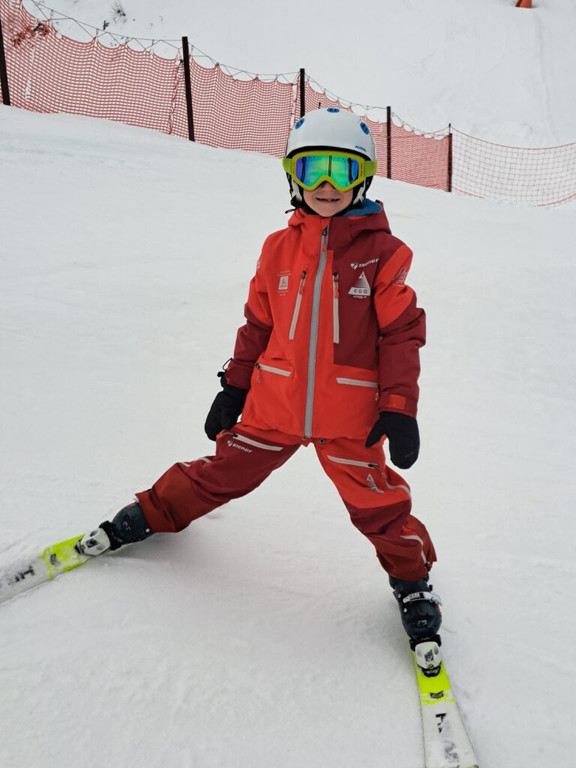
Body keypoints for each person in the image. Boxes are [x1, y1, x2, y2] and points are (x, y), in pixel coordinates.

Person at [77, 108, 441, 645]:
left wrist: (399, 407)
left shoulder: (385, 255)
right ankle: (148, 514)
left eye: (340, 170)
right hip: (274, 407)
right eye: (313, 169)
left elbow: (401, 334)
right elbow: (259, 324)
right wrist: (235, 386)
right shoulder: (277, 248)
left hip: (352, 421)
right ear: (293, 175)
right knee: (218, 474)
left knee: (379, 508)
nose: (325, 185)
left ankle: (412, 581)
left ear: (362, 176)